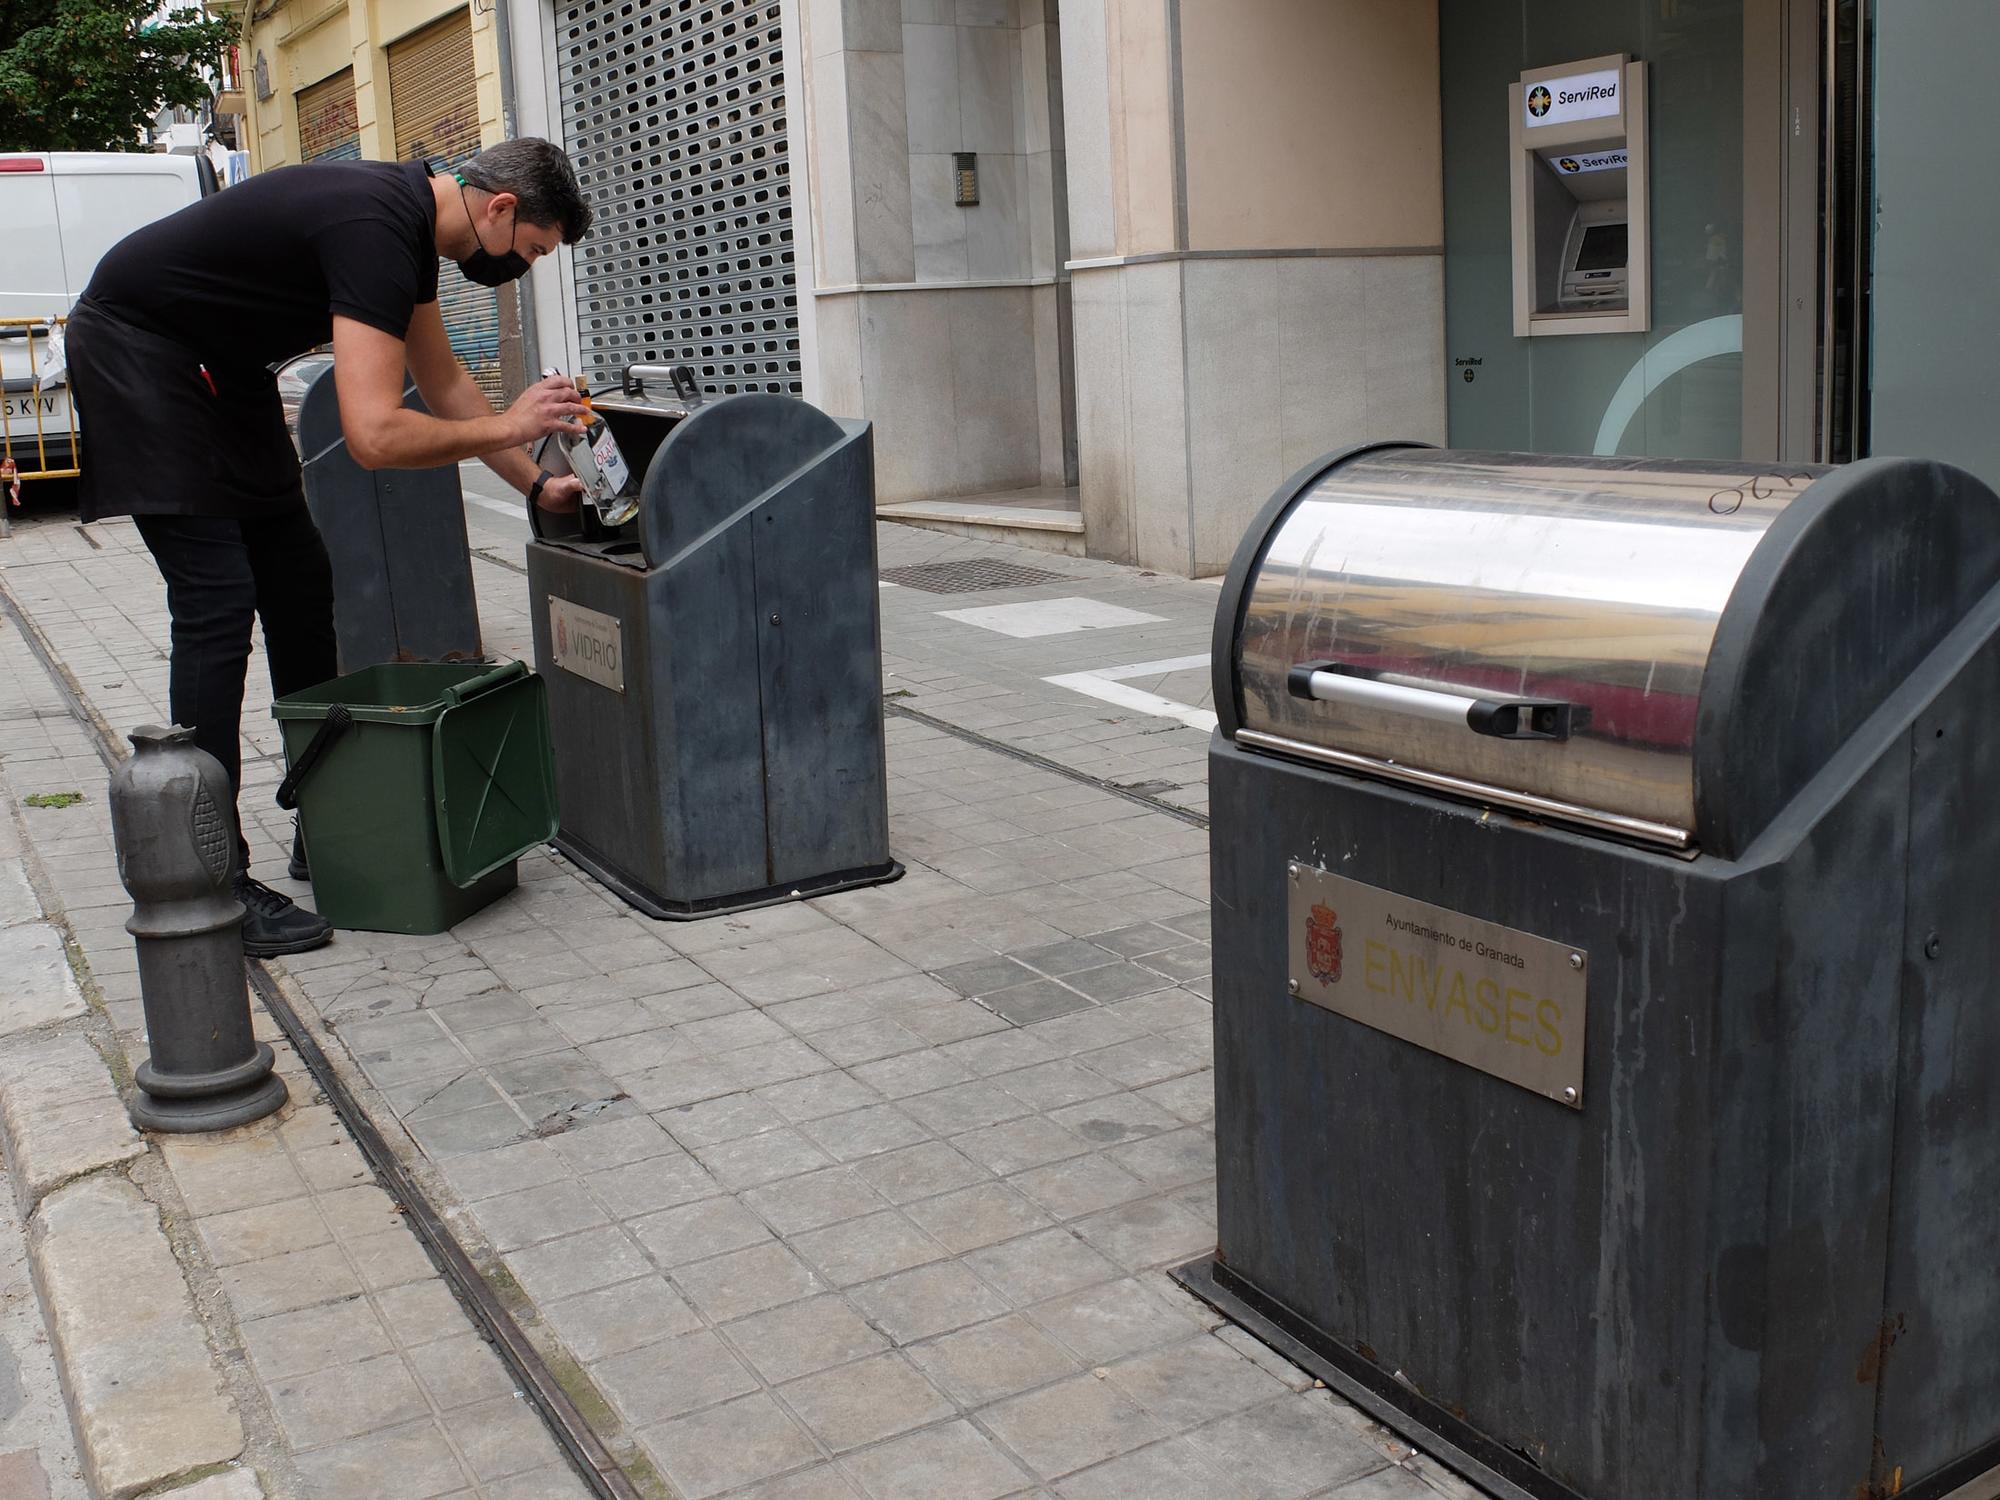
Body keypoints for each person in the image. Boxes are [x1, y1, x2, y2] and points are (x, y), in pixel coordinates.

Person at [65, 138, 595, 956]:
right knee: (216, 602)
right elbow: (375, 435)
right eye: (530, 250)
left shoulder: (412, 226)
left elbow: (446, 384)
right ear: (498, 208)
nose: (521, 268)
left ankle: (332, 817)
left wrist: (534, 483)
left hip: (219, 365)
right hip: (140, 353)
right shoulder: (377, 226)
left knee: (301, 586)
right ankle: (210, 877)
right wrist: (516, 422)